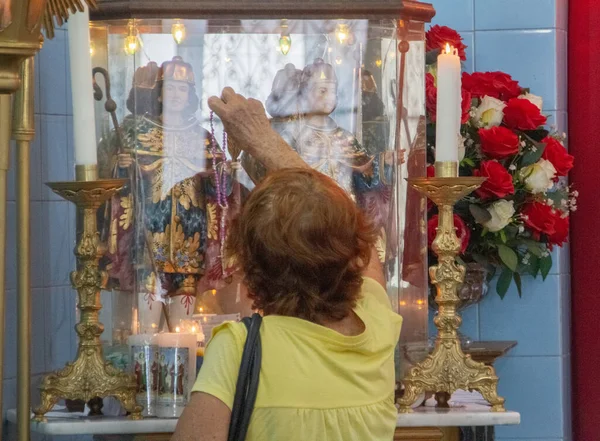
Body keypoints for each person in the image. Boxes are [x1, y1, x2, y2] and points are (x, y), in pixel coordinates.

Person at [172, 88, 403, 441]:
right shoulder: (376, 328)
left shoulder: (238, 347)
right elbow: (354, 231)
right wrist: (265, 141)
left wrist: (258, 141)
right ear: (352, 250)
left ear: (248, 267)